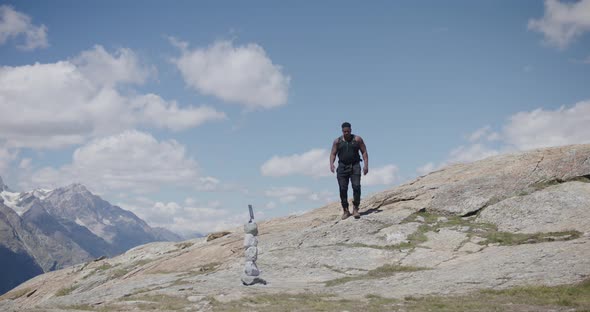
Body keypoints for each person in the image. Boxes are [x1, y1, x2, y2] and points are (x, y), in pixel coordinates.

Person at [330, 122, 369, 220]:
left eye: (348, 131)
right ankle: (346, 210)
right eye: (344, 131)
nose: (346, 133)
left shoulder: (357, 140)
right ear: (342, 131)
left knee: (356, 186)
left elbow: (364, 152)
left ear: (351, 130)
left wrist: (366, 165)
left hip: (355, 165)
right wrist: (331, 164)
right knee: (343, 189)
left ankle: (355, 208)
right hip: (342, 167)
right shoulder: (337, 141)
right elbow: (333, 153)